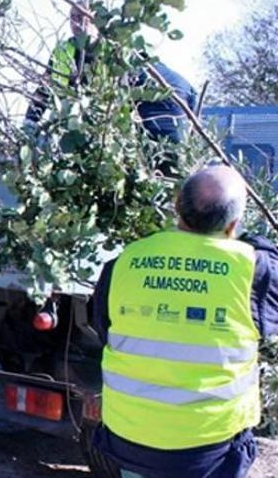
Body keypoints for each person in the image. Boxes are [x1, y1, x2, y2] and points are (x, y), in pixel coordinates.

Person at [90, 165, 278, 478]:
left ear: (177, 205)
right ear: (234, 223)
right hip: (207, 452)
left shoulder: (123, 262)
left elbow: (104, 330)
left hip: (128, 441)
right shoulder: (253, 271)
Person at [25, 3, 197, 173]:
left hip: (164, 95)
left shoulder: (113, 48)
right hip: (144, 98)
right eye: (73, 17)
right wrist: (30, 122)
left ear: (96, 21)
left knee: (165, 162)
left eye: (83, 17)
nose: (77, 23)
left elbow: (118, 101)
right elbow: (46, 89)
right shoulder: (64, 51)